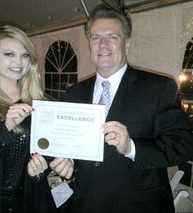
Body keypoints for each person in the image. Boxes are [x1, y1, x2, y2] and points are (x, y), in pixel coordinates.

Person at [62, 4, 193, 213]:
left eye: (112, 37)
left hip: (137, 205)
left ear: (127, 43)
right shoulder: (74, 94)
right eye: (95, 37)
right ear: (89, 44)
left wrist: (131, 148)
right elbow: (69, 145)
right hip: (85, 203)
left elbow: (182, 146)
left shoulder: (159, 88)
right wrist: (65, 160)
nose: (103, 44)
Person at [0, 24, 73, 213]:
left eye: (25, 55)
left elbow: (50, 163)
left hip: (24, 204)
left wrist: (50, 169)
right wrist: (5, 128)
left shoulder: (41, 104)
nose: (18, 61)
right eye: (9, 54)